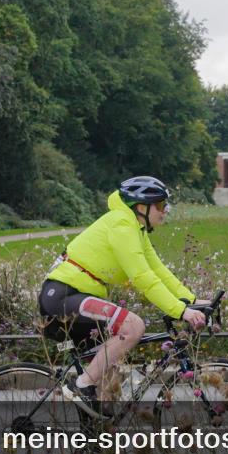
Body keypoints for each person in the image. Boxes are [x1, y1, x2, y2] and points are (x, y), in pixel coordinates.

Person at [38, 176, 207, 417]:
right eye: (160, 205)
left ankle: (98, 432)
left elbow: (158, 271)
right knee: (133, 326)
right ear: (141, 207)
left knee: (113, 374)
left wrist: (192, 301)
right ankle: (80, 385)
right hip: (63, 297)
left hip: (77, 296)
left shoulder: (136, 229)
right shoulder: (122, 225)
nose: (165, 211)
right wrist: (181, 311)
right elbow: (142, 277)